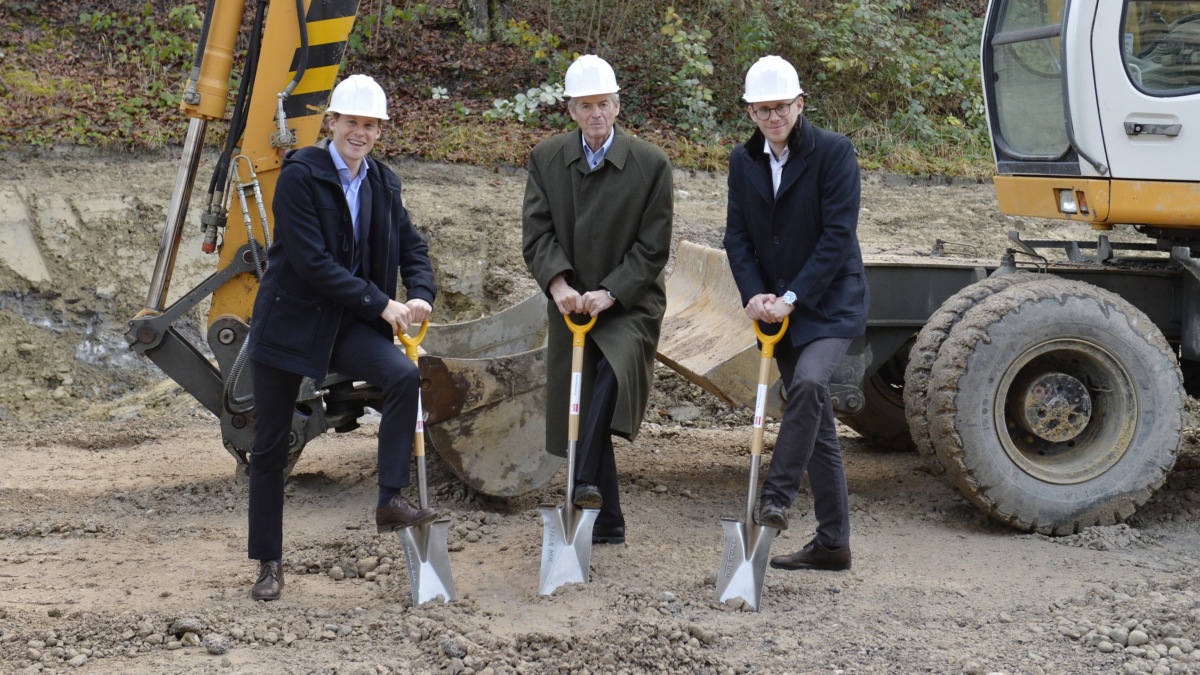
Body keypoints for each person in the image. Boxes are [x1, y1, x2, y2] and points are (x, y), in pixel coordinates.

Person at [243, 74, 438, 600]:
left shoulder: (383, 183)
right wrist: (383, 302)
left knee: (403, 376)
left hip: (347, 325)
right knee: (269, 448)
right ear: (331, 123)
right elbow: (311, 263)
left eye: (371, 125)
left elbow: (412, 247)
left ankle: (390, 498)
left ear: (380, 131)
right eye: (352, 122)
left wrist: (420, 292)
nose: (361, 133)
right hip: (291, 322)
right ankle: (268, 562)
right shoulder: (300, 175)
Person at [722, 56, 868, 572]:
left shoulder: (834, 153)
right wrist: (754, 295)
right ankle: (833, 545)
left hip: (828, 303)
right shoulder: (744, 162)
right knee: (819, 427)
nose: (773, 117)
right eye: (762, 110)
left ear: (799, 104)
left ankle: (776, 497)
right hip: (776, 309)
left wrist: (792, 297)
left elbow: (836, 236)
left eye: (781, 107)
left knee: (807, 386)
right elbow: (737, 237)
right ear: (751, 112)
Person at [522, 55, 674, 546]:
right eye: (585, 105)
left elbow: (653, 246)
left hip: (630, 302)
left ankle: (582, 481)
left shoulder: (650, 164)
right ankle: (607, 519)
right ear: (570, 109)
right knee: (580, 394)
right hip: (569, 303)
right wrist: (561, 287)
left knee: (611, 366)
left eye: (603, 104)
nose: (595, 114)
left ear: (617, 105)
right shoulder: (546, 159)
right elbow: (538, 233)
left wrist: (610, 292)